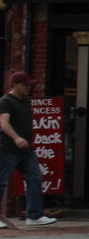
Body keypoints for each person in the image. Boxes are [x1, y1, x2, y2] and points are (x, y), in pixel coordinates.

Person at [0, 71, 56, 227]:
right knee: (1, 181)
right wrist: (16, 138)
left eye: (29, 85)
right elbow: (4, 123)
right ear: (14, 85)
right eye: (25, 85)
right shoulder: (6, 101)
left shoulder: (25, 101)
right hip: (8, 149)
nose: (28, 88)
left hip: (27, 150)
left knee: (35, 179)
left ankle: (34, 216)